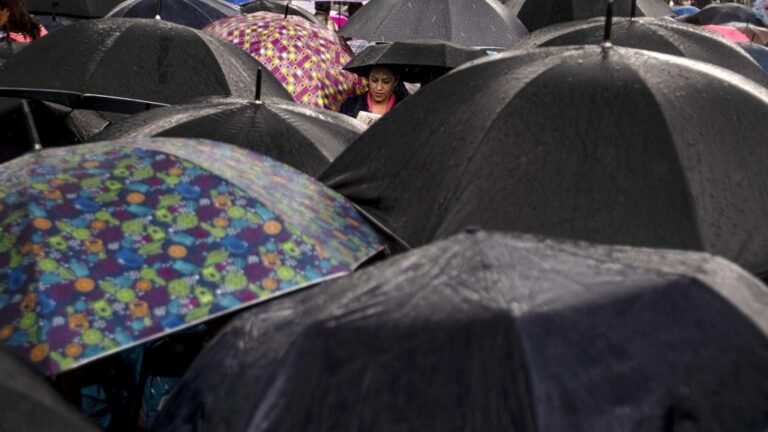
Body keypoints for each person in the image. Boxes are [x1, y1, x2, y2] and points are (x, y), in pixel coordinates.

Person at [339, 65, 407, 124]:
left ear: (395, 81)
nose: (379, 88)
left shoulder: (405, 109)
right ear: (368, 79)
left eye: (386, 82)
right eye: (374, 80)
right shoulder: (350, 105)